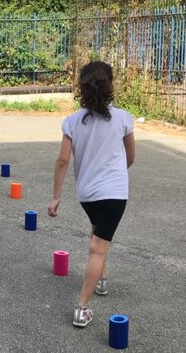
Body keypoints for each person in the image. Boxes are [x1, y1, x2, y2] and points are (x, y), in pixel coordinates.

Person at [47, 61, 135, 328]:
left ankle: (102, 279)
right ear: (110, 86)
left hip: (87, 193)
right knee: (98, 246)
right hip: (114, 193)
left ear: (81, 89)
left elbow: (63, 160)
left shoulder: (72, 121)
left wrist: (56, 196)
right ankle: (82, 308)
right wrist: (116, 172)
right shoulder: (123, 118)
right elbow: (131, 157)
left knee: (99, 234)